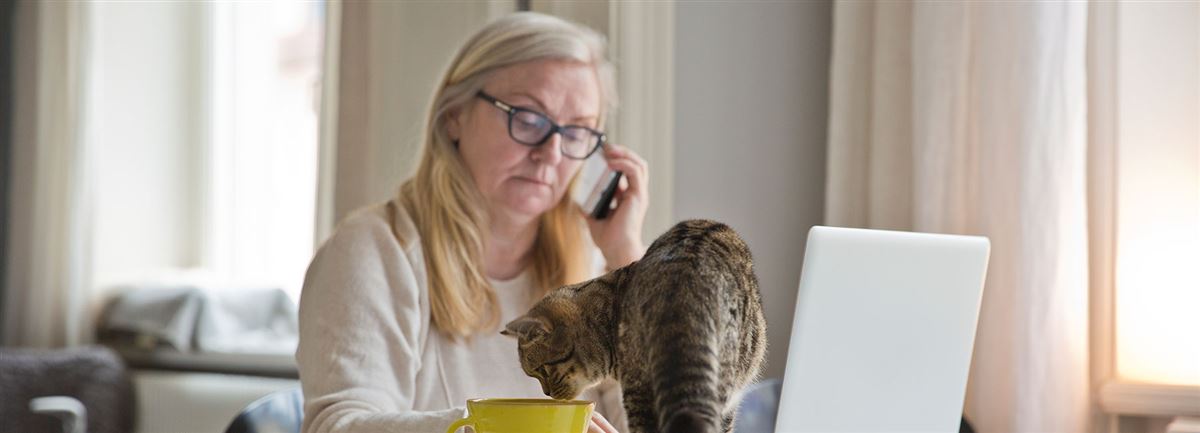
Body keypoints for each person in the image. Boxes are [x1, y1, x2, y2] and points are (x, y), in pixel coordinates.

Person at [296, 12, 649, 433]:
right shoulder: (373, 252)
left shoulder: (591, 269)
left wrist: (628, 262)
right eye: (528, 117)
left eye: (577, 132)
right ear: (454, 116)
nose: (552, 153)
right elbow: (340, 426)